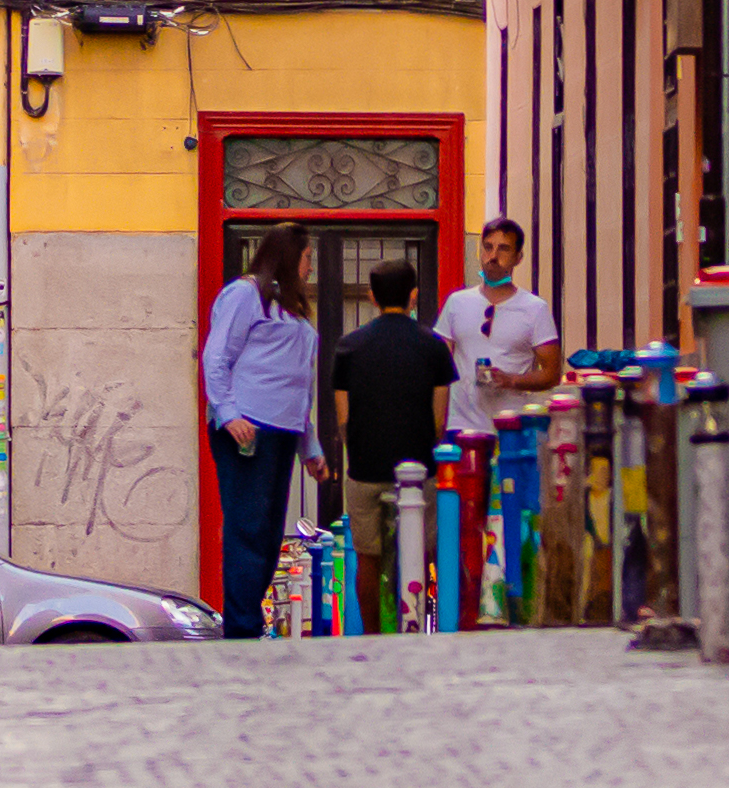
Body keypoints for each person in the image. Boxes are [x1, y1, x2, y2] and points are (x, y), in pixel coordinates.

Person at [323, 260, 457, 635]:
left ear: (371, 296)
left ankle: (372, 634)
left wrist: (362, 450)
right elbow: (440, 419)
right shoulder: (433, 346)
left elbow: (343, 417)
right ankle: (421, 623)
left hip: (366, 470)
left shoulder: (349, 346)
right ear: (413, 296)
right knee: (424, 549)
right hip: (418, 469)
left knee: (368, 557)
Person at [200, 225, 318, 641]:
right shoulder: (245, 295)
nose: (309, 266)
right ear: (288, 256)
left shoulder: (291, 307)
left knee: (268, 535)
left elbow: (301, 382)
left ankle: (249, 620)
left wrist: (311, 446)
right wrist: (228, 412)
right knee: (248, 529)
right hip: (248, 429)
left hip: (283, 432)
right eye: (306, 257)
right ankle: (243, 629)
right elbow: (217, 356)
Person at [437, 219, 562, 434]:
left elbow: (552, 374)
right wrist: (438, 427)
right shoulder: (456, 303)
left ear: (518, 258)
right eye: (488, 247)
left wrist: (511, 380)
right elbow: (439, 366)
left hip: (510, 428)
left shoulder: (535, 309)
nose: (493, 256)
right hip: (461, 428)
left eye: (503, 249)